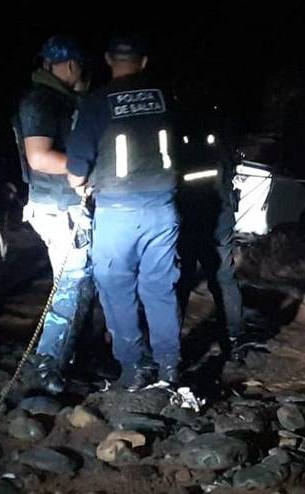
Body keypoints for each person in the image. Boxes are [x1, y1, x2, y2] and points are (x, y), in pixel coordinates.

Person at [67, 36, 182, 390]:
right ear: (144, 61)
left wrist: (79, 186)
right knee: (161, 289)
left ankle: (133, 370)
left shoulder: (97, 102)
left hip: (118, 213)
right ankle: (169, 368)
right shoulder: (166, 97)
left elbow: (76, 168)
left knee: (117, 291)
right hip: (162, 208)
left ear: (107, 59)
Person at [14, 35, 94, 393]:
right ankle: (47, 364)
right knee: (70, 284)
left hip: (68, 204)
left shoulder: (63, 99)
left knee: (81, 283)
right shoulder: (41, 101)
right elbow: (39, 156)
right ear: (64, 65)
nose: (78, 70)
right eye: (74, 63)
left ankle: (71, 356)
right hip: (58, 207)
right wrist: (91, 171)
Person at [175, 128, 247, 360]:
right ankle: (234, 339)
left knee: (181, 281)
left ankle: (169, 343)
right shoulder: (219, 139)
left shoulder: (177, 140)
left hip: (189, 222)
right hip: (219, 220)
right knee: (224, 278)